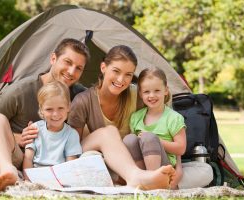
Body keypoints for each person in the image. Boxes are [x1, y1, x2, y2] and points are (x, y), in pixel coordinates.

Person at [0, 38, 90, 191]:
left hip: (53, 163)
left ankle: (17, 184)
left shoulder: (80, 95)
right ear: (53, 58)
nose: (71, 72)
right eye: (67, 62)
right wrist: (20, 138)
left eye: (78, 68)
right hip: (17, 157)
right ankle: (7, 170)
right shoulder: (23, 89)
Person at [68, 45, 176, 190]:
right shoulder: (83, 101)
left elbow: (166, 124)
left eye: (128, 74)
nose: (121, 79)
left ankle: (139, 176)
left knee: (129, 139)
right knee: (109, 132)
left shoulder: (137, 95)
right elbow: (72, 146)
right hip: (92, 150)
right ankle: (135, 177)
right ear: (103, 67)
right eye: (116, 71)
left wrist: (179, 166)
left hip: (130, 155)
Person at [123, 67, 186, 189]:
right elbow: (132, 146)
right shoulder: (136, 117)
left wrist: (157, 140)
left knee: (149, 137)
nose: (152, 95)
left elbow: (181, 149)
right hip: (142, 167)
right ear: (140, 94)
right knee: (129, 139)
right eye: (146, 92)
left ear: (166, 90)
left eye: (157, 90)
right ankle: (142, 180)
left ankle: (155, 182)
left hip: (164, 168)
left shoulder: (173, 118)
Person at [23, 81, 82, 178]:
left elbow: (70, 163)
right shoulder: (35, 129)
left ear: (68, 107)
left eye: (60, 108)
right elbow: (28, 158)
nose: (55, 114)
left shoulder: (71, 134)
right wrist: (27, 180)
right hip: (36, 174)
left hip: (59, 176)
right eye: (49, 109)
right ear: (41, 109)